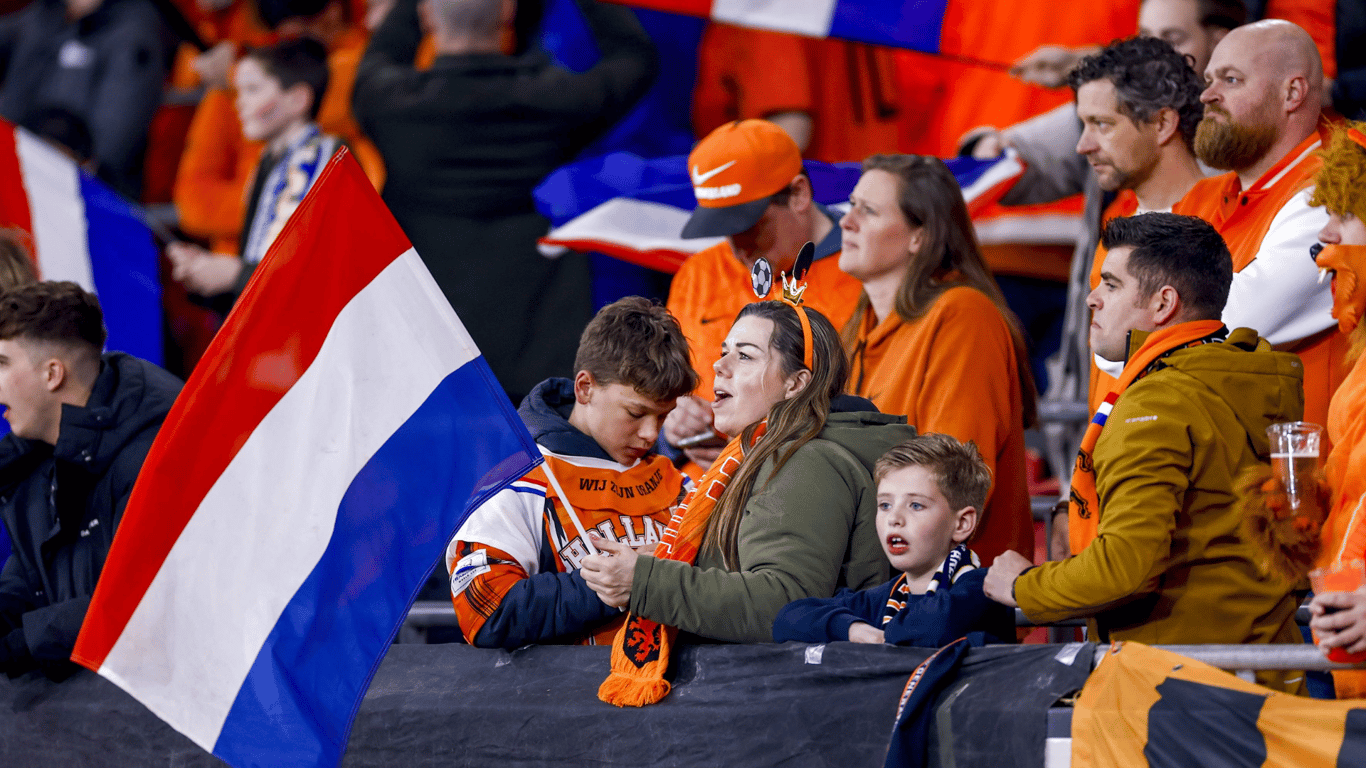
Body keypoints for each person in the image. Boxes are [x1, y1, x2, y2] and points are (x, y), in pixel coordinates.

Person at [984, 213, 1304, 692]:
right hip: (1259, 673)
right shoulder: (1238, 377)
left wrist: (1021, 585)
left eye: (1110, 285)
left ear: (1163, 304)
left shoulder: (1161, 399)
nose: (1092, 299)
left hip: (1182, 691)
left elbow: (1124, 571)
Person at [581, 300, 918, 705]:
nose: (719, 366)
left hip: (804, 707)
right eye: (724, 351)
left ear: (796, 384)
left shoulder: (806, 459)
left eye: (744, 356)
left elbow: (783, 602)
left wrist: (646, 582)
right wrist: (682, 559)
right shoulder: (777, 451)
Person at [353, 0, 658, 405]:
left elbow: (382, 53)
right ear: (508, 13)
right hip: (537, 342)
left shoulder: (390, 102)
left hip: (424, 343)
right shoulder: (554, 98)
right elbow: (634, 58)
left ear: (426, 17)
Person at [445, 297, 697, 648]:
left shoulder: (677, 483)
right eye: (636, 413)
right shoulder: (517, 480)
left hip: (683, 693)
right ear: (585, 388)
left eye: (664, 416)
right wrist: (615, 585)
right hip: (566, 698)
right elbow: (485, 613)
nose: (652, 434)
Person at [839, 154, 1036, 565]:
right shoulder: (854, 330)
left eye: (868, 210)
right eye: (851, 205)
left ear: (920, 237)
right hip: (873, 590)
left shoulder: (964, 317)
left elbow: (950, 484)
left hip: (947, 603)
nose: (847, 221)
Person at [0, 282, 182, 678]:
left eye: (2, 363)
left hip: (156, 721)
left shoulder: (157, 454)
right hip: (89, 719)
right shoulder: (37, 458)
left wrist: (26, 643)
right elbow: (29, 580)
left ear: (52, 374)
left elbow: (150, 603)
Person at [664, 119, 862, 473]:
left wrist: (754, 441)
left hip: (813, 489)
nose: (739, 247)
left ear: (799, 193)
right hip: (701, 496)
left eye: (749, 226)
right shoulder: (698, 276)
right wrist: (672, 427)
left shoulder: (865, 277)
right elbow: (659, 399)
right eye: (723, 229)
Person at [1173, 19, 1341, 433]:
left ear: (1293, 93)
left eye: (1231, 80)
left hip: (1313, 481)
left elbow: (1237, 321)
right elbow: (1111, 337)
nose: (1208, 95)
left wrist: (1147, 311)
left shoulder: (1338, 195)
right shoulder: (1200, 197)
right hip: (1218, 475)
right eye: (1209, 79)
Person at [1246, 122, 1366, 697]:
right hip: (1347, 665)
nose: (1325, 233)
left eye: (1344, 213)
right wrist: (1303, 509)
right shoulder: (1359, 365)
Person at [772, 433, 1015, 647]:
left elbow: (937, 625)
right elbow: (788, 618)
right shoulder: (884, 598)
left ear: (961, 524)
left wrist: (879, 636)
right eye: (885, 505)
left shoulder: (984, 590)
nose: (894, 519)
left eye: (916, 505)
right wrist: (853, 629)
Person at [166, 38, 342, 309]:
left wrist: (234, 274)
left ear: (298, 99)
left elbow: (307, 279)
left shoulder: (319, 156)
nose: (239, 103)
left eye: (252, 90)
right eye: (238, 91)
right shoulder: (269, 161)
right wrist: (207, 271)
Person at [0, 0, 169, 196]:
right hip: (17, 173)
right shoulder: (46, 13)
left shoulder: (135, 29)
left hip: (82, 192)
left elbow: (112, 144)